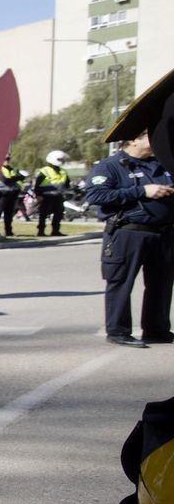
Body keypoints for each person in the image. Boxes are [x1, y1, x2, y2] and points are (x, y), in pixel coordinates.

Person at [84, 130, 174, 347]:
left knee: (161, 284)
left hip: (163, 233)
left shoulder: (162, 164)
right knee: (121, 282)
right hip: (128, 232)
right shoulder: (111, 166)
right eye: (151, 136)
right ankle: (118, 331)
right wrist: (142, 191)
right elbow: (96, 195)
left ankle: (157, 329)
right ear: (133, 139)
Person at [32, 150, 70, 237]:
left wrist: (66, 191)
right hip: (46, 196)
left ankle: (55, 231)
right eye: (60, 159)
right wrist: (38, 195)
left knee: (59, 213)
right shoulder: (44, 171)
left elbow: (67, 183)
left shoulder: (63, 171)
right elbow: (37, 185)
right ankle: (41, 231)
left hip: (58, 196)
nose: (62, 161)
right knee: (43, 214)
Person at [0, 153, 26, 237]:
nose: (6, 161)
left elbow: (22, 177)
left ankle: (8, 231)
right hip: (1, 194)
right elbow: (5, 179)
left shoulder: (11, 169)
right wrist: (15, 177)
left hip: (11, 194)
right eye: (4, 159)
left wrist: (14, 178)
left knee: (9, 214)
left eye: (7, 159)